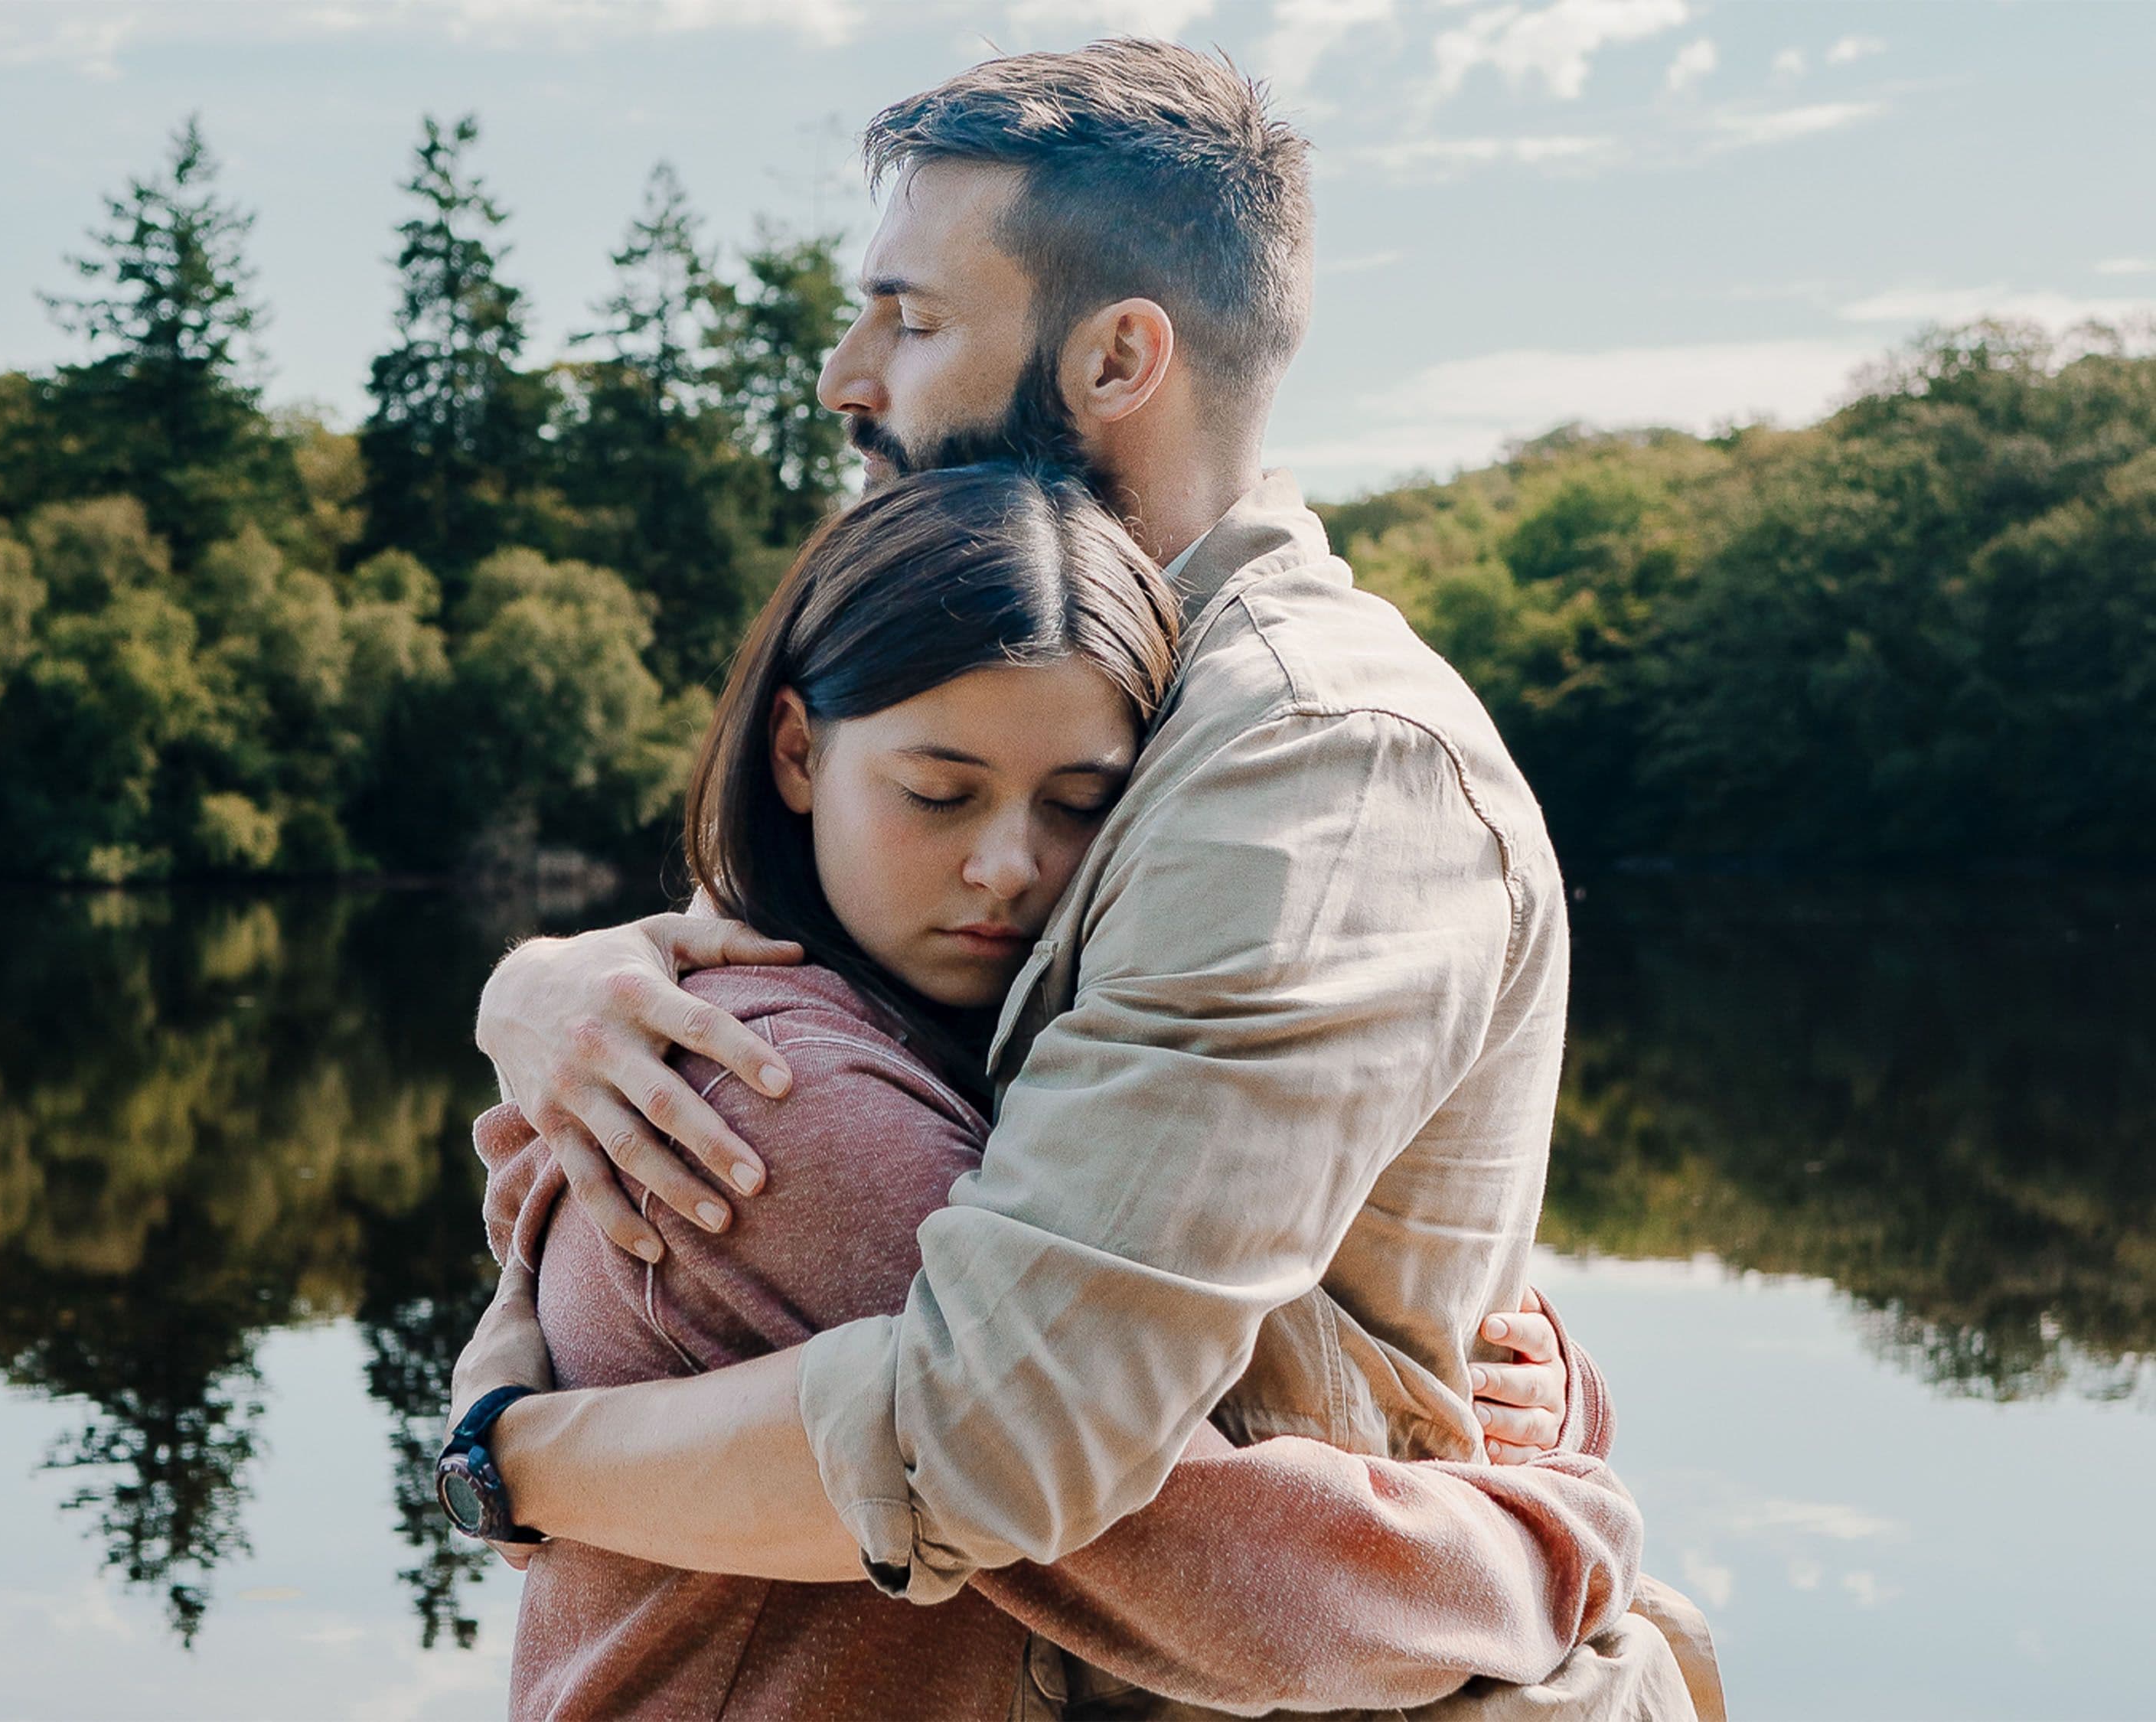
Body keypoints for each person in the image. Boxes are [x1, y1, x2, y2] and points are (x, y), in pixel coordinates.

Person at [455, 38, 1722, 1720]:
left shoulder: (1304, 765)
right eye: (940, 792)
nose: (848, 376)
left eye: (910, 318)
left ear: (1119, 356)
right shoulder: (1079, 703)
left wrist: (514, 1461)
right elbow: (877, 1252)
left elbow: (994, 1437)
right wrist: (534, 985)